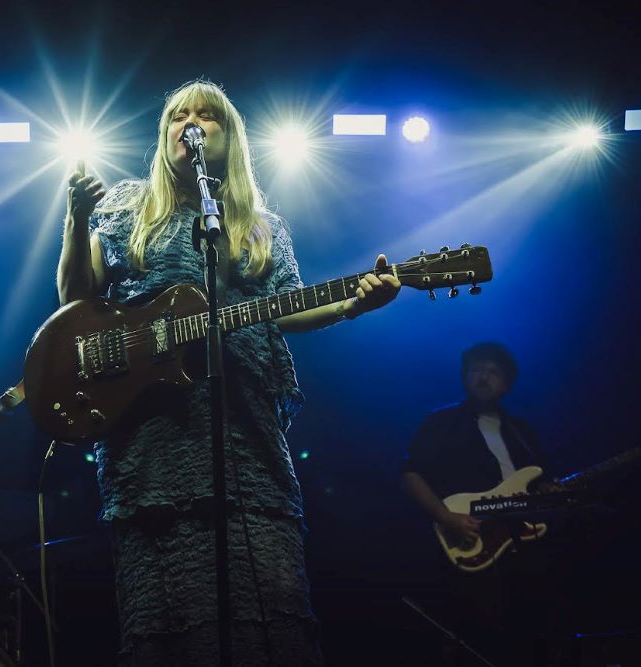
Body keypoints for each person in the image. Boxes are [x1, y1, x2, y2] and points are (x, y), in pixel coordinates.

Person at [57, 79, 401, 665]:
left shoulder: (260, 225)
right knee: (165, 615)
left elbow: (288, 305)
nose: (190, 124)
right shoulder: (121, 208)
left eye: (207, 116)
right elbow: (73, 298)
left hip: (245, 435)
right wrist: (76, 217)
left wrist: (352, 303)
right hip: (151, 441)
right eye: (177, 116)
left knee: (270, 604)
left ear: (230, 137)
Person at [400, 342, 561, 666]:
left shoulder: (522, 431)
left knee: (532, 637)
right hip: (470, 541)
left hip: (524, 545)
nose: (484, 377)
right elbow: (410, 473)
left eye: (493, 371)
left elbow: (541, 482)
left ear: (507, 383)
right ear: (464, 376)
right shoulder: (441, 423)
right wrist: (445, 516)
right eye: (476, 370)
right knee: (476, 639)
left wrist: (551, 493)